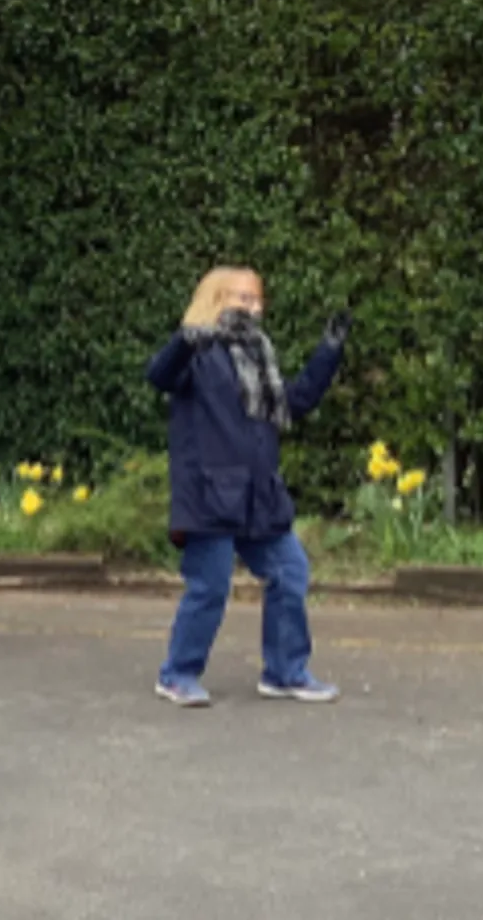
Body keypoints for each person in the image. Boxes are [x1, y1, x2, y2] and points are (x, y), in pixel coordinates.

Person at [146, 266, 350, 707]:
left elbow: (293, 404)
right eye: (243, 299)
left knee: (290, 572)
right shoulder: (196, 354)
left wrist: (327, 353)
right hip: (209, 494)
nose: (253, 309)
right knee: (210, 586)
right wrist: (185, 341)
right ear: (216, 299)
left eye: (257, 300)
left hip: (259, 495)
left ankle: (285, 672)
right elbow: (160, 375)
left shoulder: (259, 356)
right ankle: (177, 674)